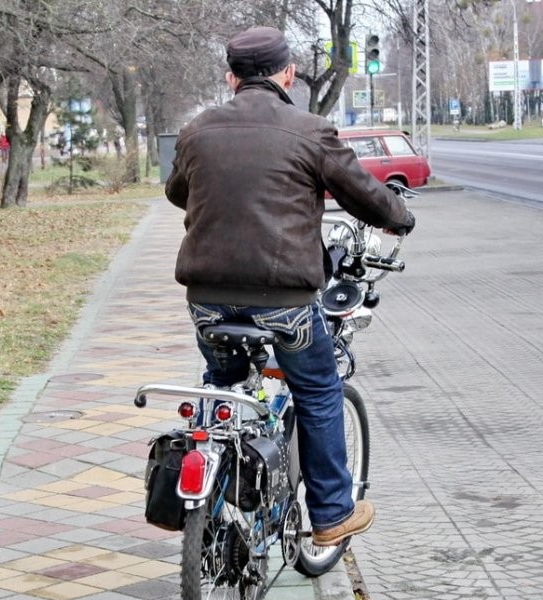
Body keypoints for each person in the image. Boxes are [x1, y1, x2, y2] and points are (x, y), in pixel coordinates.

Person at [165, 26, 415, 547]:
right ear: (289, 74)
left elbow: (178, 193)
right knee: (319, 389)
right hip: (283, 301)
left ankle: (211, 496)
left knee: (223, 385)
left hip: (206, 300)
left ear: (231, 78)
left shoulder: (196, 130)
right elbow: (364, 195)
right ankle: (331, 515)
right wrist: (400, 218)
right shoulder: (310, 130)